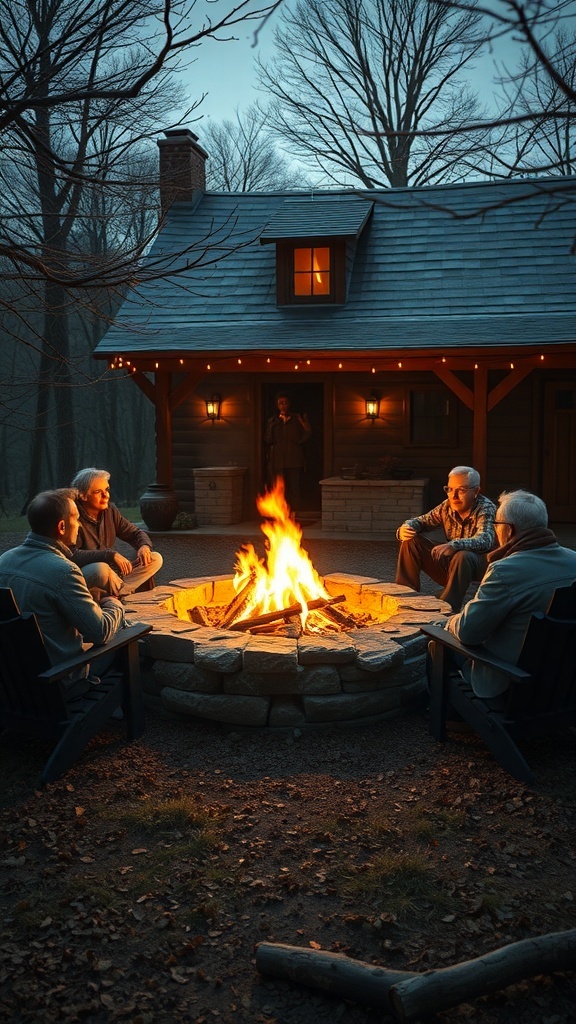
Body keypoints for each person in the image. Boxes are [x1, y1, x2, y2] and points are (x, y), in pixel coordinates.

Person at [445, 490, 576, 701]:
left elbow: (469, 633)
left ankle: (454, 719)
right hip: (566, 682)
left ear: (509, 529)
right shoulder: (574, 561)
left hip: (513, 685)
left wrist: (449, 622)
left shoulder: (505, 571)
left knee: (437, 642)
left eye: (496, 525)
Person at [0, 489, 126, 695]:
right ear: (62, 527)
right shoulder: (64, 571)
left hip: (13, 683)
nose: (78, 526)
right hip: (57, 682)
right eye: (76, 519)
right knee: (124, 635)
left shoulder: (4, 560)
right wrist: (114, 605)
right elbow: (99, 632)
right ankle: (120, 712)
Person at [395, 465, 496, 612]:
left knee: (463, 555)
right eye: (450, 489)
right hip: (451, 566)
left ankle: (447, 607)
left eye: (461, 490)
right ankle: (404, 597)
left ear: (476, 491)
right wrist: (405, 528)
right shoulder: (447, 506)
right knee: (411, 542)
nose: (453, 496)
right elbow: (422, 521)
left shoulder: (486, 508)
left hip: (478, 569)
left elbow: (485, 540)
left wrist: (455, 545)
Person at [70, 468, 163, 598]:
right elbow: (71, 555)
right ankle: (119, 592)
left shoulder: (110, 512)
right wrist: (109, 555)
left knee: (155, 558)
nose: (106, 495)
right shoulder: (72, 517)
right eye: (98, 492)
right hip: (86, 575)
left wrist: (144, 546)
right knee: (101, 569)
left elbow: (135, 533)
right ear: (83, 495)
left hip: (113, 573)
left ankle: (119, 591)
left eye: (107, 490)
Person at [264, 392, 312, 512]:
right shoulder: (273, 420)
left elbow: (308, 432)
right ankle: (281, 512)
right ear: (277, 405)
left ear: (289, 404)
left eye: (285, 403)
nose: (283, 406)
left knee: (294, 487)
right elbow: (268, 439)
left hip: (294, 459)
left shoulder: (297, 418)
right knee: (280, 487)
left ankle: (296, 512)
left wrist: (298, 442)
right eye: (280, 403)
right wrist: (273, 425)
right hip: (278, 460)